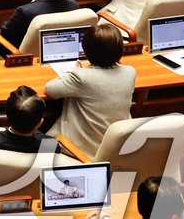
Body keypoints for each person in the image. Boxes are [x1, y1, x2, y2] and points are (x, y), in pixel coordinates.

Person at [45, 23, 137, 155]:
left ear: (86, 50)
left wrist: (75, 73)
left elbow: (50, 89)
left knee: (41, 144)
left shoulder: (81, 77)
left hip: (81, 149)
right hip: (116, 145)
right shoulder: (130, 72)